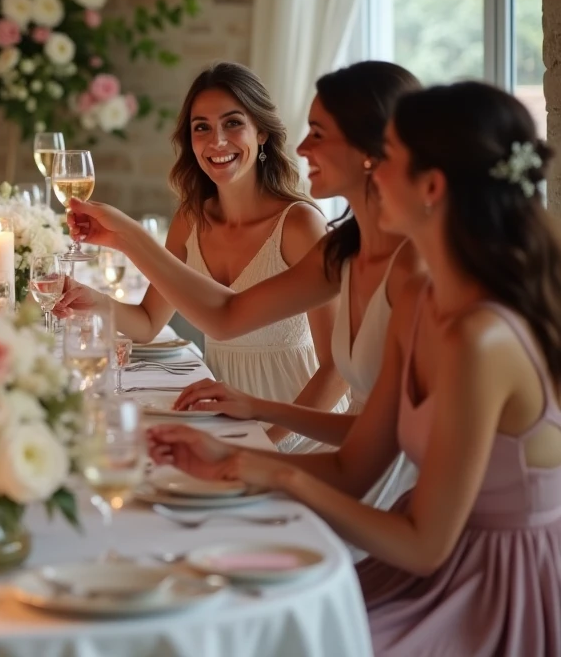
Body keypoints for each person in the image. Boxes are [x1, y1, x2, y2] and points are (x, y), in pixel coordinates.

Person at [151, 82, 561, 655]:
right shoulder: (423, 300)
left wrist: (273, 473)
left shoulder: (479, 335)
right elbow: (355, 465)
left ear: (432, 185)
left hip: (495, 587)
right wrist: (236, 455)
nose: (372, 170)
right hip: (433, 565)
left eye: (386, 157)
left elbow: (425, 546)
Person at [61, 62, 422, 504]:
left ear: (371, 147)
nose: (304, 146)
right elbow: (222, 317)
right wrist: (249, 424)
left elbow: (386, 433)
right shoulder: (347, 248)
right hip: (299, 447)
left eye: (319, 133)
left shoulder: (395, 260)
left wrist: (264, 443)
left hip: (353, 470)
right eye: (201, 128)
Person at [57, 62, 345, 452]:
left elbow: (337, 368)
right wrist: (94, 302)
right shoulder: (191, 220)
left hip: (303, 434)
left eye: (232, 124)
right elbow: (146, 324)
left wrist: (269, 442)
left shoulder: (298, 225)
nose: (217, 141)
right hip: (223, 424)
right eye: (202, 128)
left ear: (261, 132)